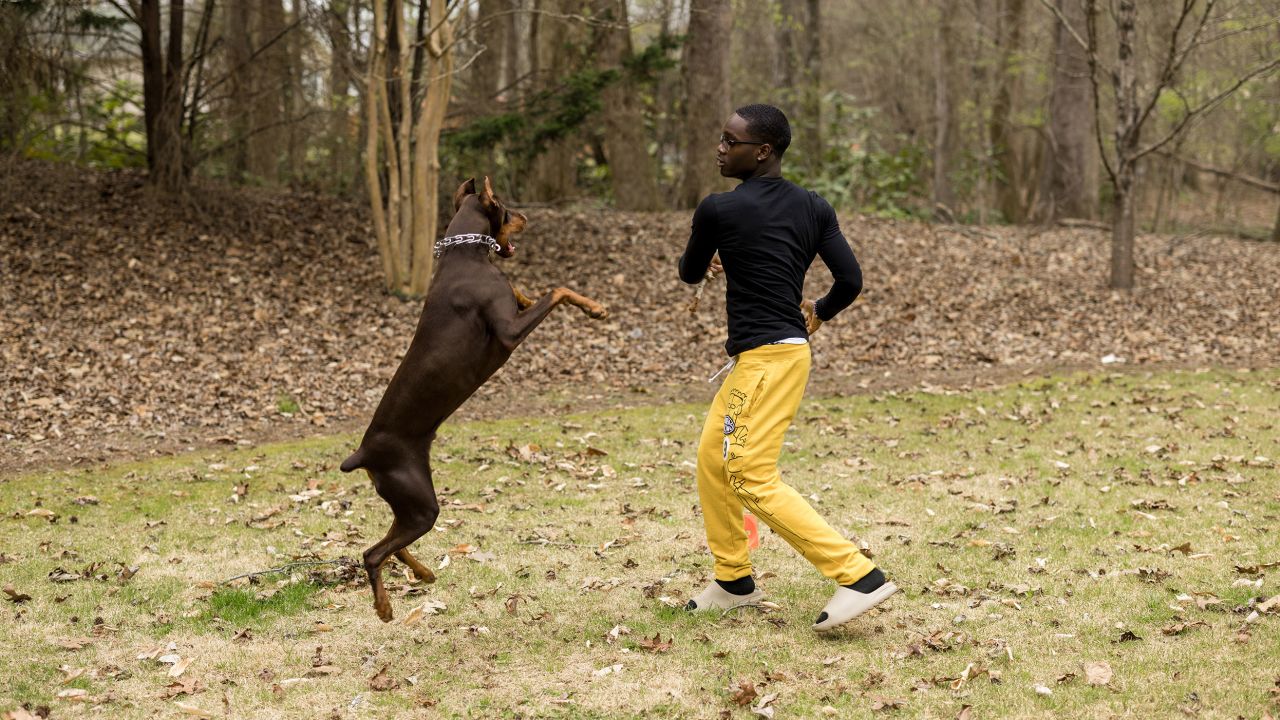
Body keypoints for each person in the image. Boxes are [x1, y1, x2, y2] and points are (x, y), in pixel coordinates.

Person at [678, 103, 898, 631]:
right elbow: (850, 281)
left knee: (750, 474)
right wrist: (818, 311)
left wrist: (716, 255)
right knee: (713, 458)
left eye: (731, 142)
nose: (721, 148)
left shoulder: (717, 210)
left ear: (764, 151)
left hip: (767, 360)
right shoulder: (813, 206)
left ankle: (858, 575)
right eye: (722, 138)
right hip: (781, 351)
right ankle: (733, 580)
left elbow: (689, 272)